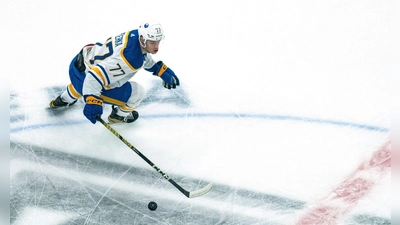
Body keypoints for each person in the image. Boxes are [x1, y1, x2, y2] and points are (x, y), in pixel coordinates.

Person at [49, 21, 180, 124]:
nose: (156, 47)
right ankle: (118, 116)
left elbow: (142, 54)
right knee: (138, 92)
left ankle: (64, 99)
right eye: (152, 42)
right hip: (86, 80)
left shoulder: (134, 35)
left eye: (158, 41)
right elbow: (94, 78)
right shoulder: (131, 59)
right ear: (143, 40)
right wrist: (92, 101)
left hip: (77, 65)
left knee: (92, 75)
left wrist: (160, 70)